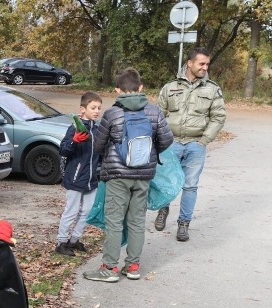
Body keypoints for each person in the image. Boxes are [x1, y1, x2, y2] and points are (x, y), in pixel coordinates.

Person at [85, 68, 173, 283]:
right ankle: (133, 266)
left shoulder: (113, 113)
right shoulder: (154, 112)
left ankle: (110, 268)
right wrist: (150, 154)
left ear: (117, 90)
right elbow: (167, 139)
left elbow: (98, 145)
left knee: (114, 221)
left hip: (117, 175)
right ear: (141, 88)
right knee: (136, 221)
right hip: (144, 175)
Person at [155, 47, 226, 241]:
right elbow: (158, 115)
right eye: (201, 63)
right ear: (190, 63)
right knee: (167, 180)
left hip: (196, 144)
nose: (205, 67)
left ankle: (184, 224)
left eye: (207, 64)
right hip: (171, 143)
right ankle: (163, 210)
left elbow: (218, 117)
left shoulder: (212, 89)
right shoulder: (170, 87)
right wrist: (161, 139)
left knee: (190, 186)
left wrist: (204, 140)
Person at [55, 91, 103, 256]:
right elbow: (63, 150)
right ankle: (61, 242)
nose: (97, 111)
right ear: (82, 109)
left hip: (91, 179)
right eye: (93, 107)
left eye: (99, 108)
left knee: (87, 211)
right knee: (72, 210)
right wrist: (74, 141)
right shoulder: (74, 128)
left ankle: (74, 240)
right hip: (75, 177)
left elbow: (100, 154)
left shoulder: (97, 131)